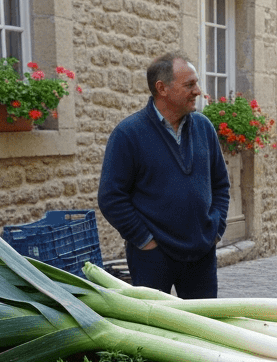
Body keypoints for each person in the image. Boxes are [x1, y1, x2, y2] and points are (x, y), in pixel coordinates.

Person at [98, 53, 230, 299]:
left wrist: (216, 230)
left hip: (201, 254)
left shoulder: (204, 128)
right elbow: (111, 197)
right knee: (155, 330)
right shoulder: (129, 134)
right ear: (162, 89)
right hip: (152, 258)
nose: (198, 91)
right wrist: (145, 240)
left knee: (204, 329)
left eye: (196, 83)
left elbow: (221, 184)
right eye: (189, 84)